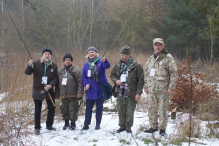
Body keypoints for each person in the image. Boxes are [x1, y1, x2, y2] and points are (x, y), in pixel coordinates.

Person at [144, 38, 178, 136]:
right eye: (155, 45)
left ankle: (162, 129)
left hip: (163, 89)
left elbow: (174, 72)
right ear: (153, 46)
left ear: (163, 46)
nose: (157, 47)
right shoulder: (151, 59)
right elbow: (146, 72)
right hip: (151, 89)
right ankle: (153, 127)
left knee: (162, 109)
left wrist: (171, 86)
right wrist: (146, 86)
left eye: (159, 45)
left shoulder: (168, 58)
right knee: (151, 108)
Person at [110, 45, 144, 133]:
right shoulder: (118, 64)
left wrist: (138, 93)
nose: (122, 57)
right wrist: (116, 81)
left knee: (130, 111)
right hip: (120, 92)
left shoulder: (136, 65)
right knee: (121, 110)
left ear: (129, 55)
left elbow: (141, 80)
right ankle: (122, 126)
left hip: (131, 93)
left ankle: (128, 127)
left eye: (124, 55)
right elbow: (112, 75)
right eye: (121, 54)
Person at [25, 48, 58, 135]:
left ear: (51, 56)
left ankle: (49, 125)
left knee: (51, 108)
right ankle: (37, 127)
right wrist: (29, 65)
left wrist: (50, 85)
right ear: (42, 55)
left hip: (49, 90)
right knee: (37, 110)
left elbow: (56, 78)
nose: (47, 56)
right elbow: (27, 72)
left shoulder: (54, 65)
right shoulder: (35, 63)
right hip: (38, 90)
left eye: (49, 54)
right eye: (45, 54)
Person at [81, 47, 110, 130]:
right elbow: (83, 76)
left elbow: (107, 66)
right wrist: (86, 84)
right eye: (89, 52)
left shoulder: (101, 61)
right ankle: (86, 124)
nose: (91, 53)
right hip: (90, 89)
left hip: (100, 88)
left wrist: (105, 60)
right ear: (87, 54)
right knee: (88, 108)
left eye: (92, 52)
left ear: (96, 53)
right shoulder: (86, 64)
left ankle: (98, 124)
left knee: (99, 108)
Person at [55, 53, 84, 130]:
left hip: (73, 94)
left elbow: (80, 82)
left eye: (69, 60)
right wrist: (57, 94)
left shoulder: (76, 70)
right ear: (64, 61)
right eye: (66, 60)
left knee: (73, 109)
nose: (67, 61)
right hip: (63, 94)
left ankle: (73, 123)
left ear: (71, 61)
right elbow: (57, 83)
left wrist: (80, 93)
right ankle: (66, 123)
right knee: (64, 109)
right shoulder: (60, 71)